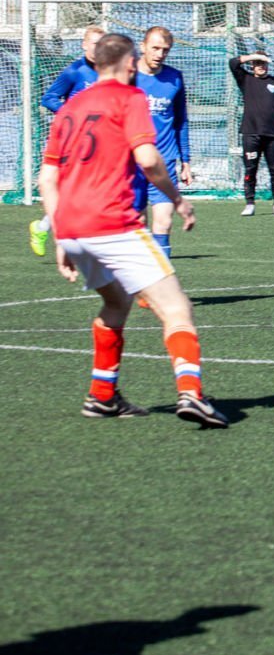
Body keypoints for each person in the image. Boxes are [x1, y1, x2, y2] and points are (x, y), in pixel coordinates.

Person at [39, 32, 227, 427]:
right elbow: (148, 159)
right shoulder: (129, 98)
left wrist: (60, 236)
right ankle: (191, 393)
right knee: (176, 308)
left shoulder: (70, 108)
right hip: (113, 223)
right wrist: (177, 199)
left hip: (72, 227)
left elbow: (47, 179)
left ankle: (102, 396)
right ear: (129, 63)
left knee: (116, 304)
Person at [29, 24, 105, 257]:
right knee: (75, 190)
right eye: (94, 44)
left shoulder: (109, 72)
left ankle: (43, 228)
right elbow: (49, 98)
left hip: (100, 141)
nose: (97, 49)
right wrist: (72, 115)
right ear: (84, 45)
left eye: (102, 45)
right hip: (74, 141)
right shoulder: (75, 71)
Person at [135, 27, 192, 257]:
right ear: (143, 47)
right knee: (138, 223)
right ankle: (141, 276)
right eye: (155, 48)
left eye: (165, 50)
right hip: (133, 163)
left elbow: (181, 121)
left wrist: (186, 160)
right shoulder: (127, 76)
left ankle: (161, 277)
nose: (160, 54)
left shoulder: (174, 77)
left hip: (164, 161)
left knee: (164, 222)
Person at [229, 51, 274, 216]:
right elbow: (233, 63)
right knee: (250, 169)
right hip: (251, 133)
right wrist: (254, 56)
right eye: (257, 63)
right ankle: (250, 203)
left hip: (272, 135)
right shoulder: (246, 79)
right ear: (252, 65)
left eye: (263, 63)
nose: (260, 66)